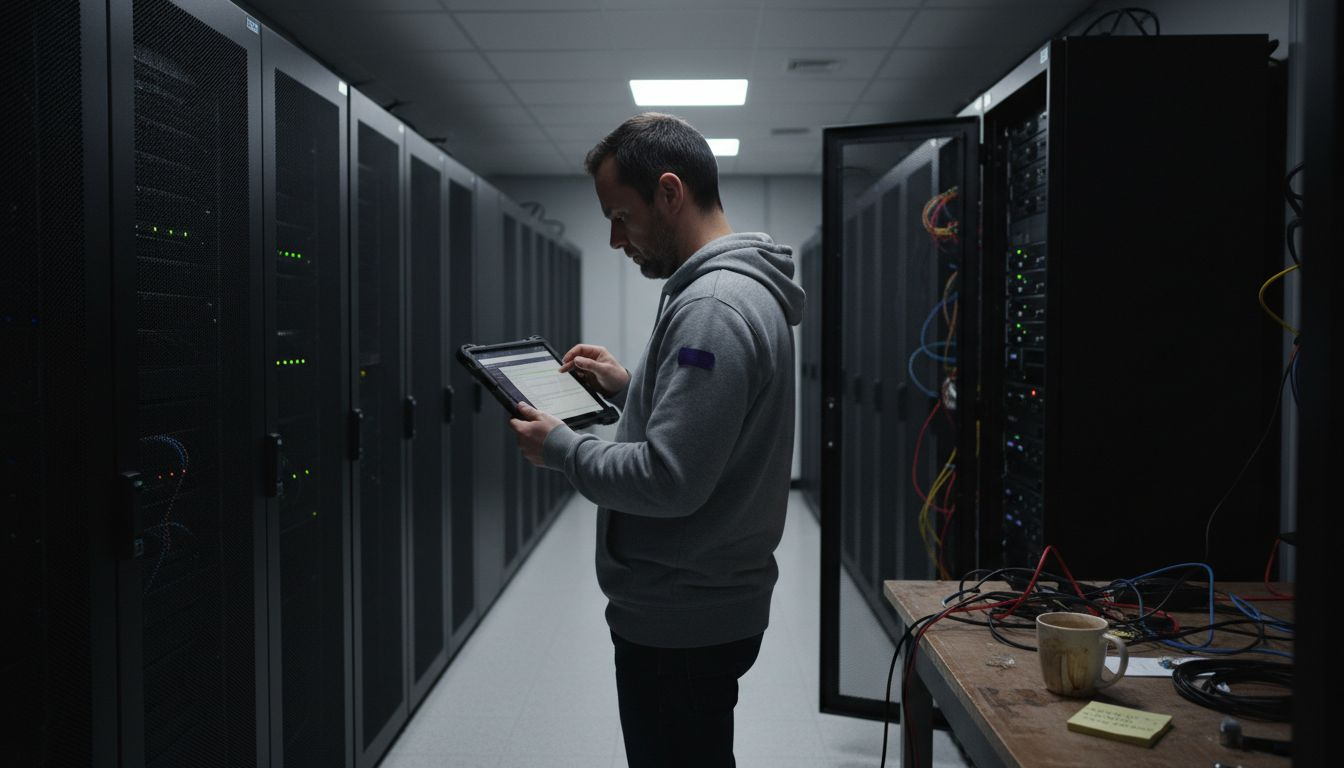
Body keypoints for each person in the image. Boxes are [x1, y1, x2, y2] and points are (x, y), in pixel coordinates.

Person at [508, 112, 805, 768]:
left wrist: (562, 448)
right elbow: (712, 423)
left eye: (621, 216)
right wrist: (631, 388)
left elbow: (671, 478)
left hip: (682, 617)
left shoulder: (712, 308)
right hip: (708, 602)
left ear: (670, 193)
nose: (616, 240)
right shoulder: (737, 292)